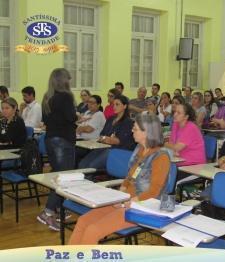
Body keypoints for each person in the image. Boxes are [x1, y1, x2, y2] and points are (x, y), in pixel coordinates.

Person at [69, 114, 171, 244]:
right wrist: (119, 195)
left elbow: (154, 192)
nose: (132, 131)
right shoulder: (140, 149)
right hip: (125, 201)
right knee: (83, 221)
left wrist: (126, 202)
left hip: (144, 207)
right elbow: (129, 177)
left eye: (135, 129)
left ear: (146, 132)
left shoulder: (161, 156)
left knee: (93, 230)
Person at [37, 68, 77, 231]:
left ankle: (58, 207)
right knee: (63, 178)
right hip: (63, 140)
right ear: (63, 81)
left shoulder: (47, 97)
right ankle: (47, 212)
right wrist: (77, 117)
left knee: (57, 174)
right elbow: (70, 117)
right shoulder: (66, 96)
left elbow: (46, 119)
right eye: (68, 79)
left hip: (51, 140)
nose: (70, 82)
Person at [78, 95, 135, 169]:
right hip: (103, 147)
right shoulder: (110, 119)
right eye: (113, 104)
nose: (114, 107)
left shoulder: (128, 122)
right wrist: (108, 138)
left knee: (91, 167)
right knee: (82, 164)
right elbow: (102, 135)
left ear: (124, 106)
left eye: (117, 104)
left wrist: (109, 139)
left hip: (116, 151)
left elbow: (119, 141)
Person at [165, 103, 205, 168]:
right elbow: (172, 144)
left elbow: (177, 147)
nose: (175, 115)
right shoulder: (175, 124)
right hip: (179, 162)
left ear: (186, 117)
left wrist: (165, 144)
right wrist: (172, 147)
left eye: (179, 113)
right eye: (175, 111)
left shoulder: (191, 127)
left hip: (194, 166)